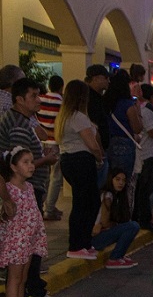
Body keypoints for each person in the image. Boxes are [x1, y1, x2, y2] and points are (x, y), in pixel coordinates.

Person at [0, 77, 60, 297]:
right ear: (19, 99)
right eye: (34, 96)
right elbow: (18, 161)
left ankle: (29, 293)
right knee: (20, 252)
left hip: (30, 188)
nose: (38, 100)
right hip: (22, 190)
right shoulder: (15, 124)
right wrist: (45, 159)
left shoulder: (26, 120)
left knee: (30, 248)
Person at [56, 80, 104, 261]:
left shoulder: (65, 116)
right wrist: (99, 156)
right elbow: (92, 143)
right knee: (87, 203)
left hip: (69, 160)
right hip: (81, 160)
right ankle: (77, 244)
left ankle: (82, 242)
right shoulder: (78, 117)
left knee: (83, 202)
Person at [0, 147, 48, 297]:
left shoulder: (29, 187)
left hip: (28, 240)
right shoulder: (9, 190)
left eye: (31, 161)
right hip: (16, 241)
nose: (31, 165)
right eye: (25, 162)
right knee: (14, 277)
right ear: (13, 167)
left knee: (23, 278)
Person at [104, 69, 143, 209]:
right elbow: (137, 128)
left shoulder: (107, 103)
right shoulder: (127, 105)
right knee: (125, 183)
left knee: (111, 182)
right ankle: (124, 213)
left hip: (109, 144)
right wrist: (138, 111)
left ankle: (109, 212)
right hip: (125, 145)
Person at [92, 168, 141, 269]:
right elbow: (105, 222)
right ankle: (114, 258)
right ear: (111, 180)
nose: (121, 183)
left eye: (123, 180)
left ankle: (120, 255)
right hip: (95, 237)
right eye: (117, 179)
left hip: (100, 234)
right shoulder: (107, 195)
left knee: (130, 226)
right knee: (133, 226)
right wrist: (115, 225)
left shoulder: (118, 197)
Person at [132, 84, 153, 233]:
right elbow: (152, 132)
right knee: (145, 188)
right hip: (147, 153)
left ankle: (138, 216)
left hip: (142, 152)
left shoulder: (141, 110)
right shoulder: (147, 112)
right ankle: (144, 219)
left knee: (142, 188)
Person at [38, 75, 64, 221]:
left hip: (41, 141)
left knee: (44, 175)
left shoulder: (40, 100)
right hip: (55, 142)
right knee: (56, 176)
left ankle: (43, 205)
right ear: (61, 87)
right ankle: (49, 208)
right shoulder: (61, 102)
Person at [85, 65, 111, 186]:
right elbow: (93, 127)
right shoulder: (89, 99)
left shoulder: (98, 98)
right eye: (105, 77)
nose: (108, 81)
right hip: (94, 152)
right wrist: (99, 151)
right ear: (95, 78)